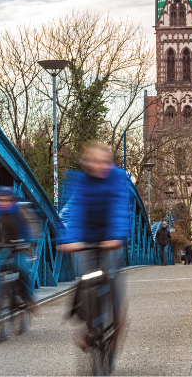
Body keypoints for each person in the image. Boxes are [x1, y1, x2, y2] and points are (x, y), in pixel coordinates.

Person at [59, 141, 133, 348]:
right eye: (93, 162)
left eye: (103, 162)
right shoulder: (81, 182)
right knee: (86, 279)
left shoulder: (118, 178)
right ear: (87, 163)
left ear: (110, 163)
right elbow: (77, 211)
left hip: (111, 237)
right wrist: (70, 240)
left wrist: (116, 236)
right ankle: (91, 327)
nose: (99, 166)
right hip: (88, 237)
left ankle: (117, 317)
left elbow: (119, 207)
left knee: (111, 275)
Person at [0, 186, 39, 311]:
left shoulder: (21, 209)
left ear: (12, 200)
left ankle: (28, 297)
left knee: (22, 268)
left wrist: (30, 241)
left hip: (24, 245)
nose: (3, 203)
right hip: (8, 244)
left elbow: (33, 227)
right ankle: (4, 292)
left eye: (6, 200)